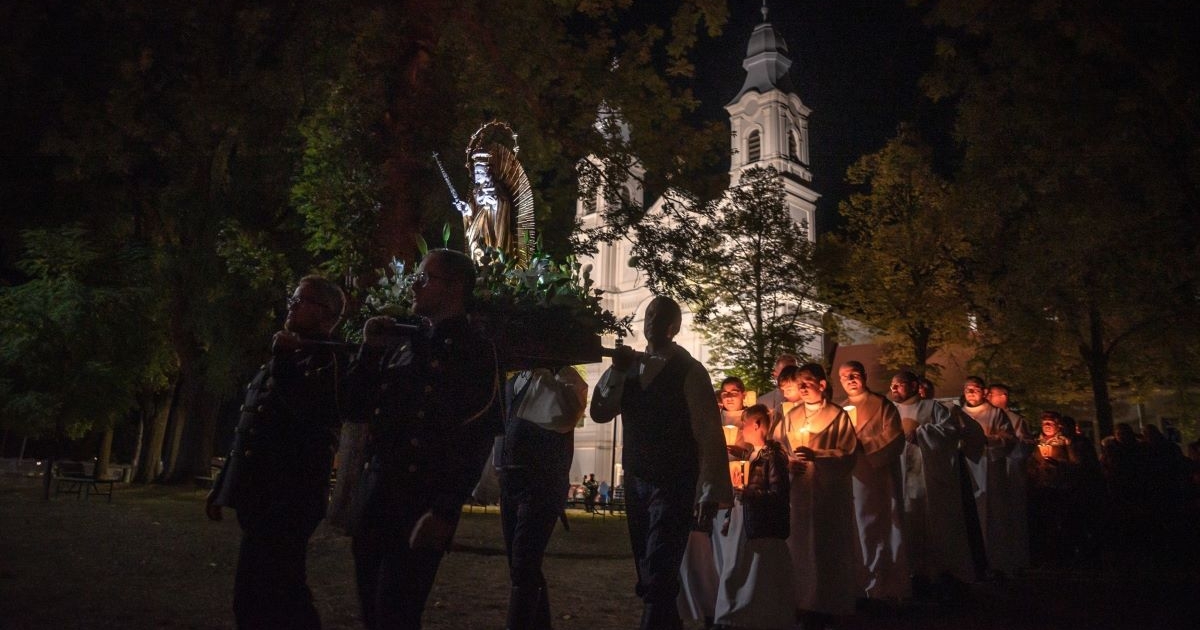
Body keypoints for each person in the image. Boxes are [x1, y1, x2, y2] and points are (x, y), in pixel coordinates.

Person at [343, 248, 502, 629]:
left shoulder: (474, 351)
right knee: (371, 610)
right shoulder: (401, 341)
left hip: (420, 500)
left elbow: (475, 436)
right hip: (378, 494)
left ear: (455, 287)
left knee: (396, 612)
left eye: (425, 278)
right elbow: (353, 407)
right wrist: (368, 352)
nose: (414, 285)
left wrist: (446, 510)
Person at [205, 275, 347, 629]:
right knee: (258, 593)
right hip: (260, 495)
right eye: (293, 298)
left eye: (303, 300)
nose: (292, 305)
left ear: (327, 314)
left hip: (288, 499)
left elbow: (309, 411)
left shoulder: (327, 361)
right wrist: (225, 482)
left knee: (279, 592)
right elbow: (252, 424)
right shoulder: (289, 352)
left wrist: (284, 360)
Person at [590, 295, 733, 630]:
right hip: (637, 477)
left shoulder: (691, 371)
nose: (651, 320)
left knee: (658, 567)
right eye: (649, 313)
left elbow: (709, 433)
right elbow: (600, 411)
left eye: (660, 316)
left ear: (674, 327)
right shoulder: (630, 368)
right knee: (648, 567)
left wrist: (710, 490)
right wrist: (615, 370)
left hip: (675, 480)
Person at [494, 366, 587, 629]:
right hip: (512, 481)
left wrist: (543, 368)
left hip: (542, 484)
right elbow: (506, 428)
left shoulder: (565, 379)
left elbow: (563, 414)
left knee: (524, 563)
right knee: (522, 564)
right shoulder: (514, 382)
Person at [773, 364, 858, 630]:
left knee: (827, 547)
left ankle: (829, 604)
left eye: (808, 382)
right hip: (799, 493)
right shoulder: (791, 416)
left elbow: (848, 454)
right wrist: (788, 463)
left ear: (822, 385)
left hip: (828, 495)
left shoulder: (838, 416)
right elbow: (776, 447)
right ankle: (802, 602)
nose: (802, 387)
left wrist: (818, 456)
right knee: (799, 547)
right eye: (800, 383)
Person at [888, 371, 974, 598]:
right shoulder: (891, 411)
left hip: (927, 478)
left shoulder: (932, 408)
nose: (894, 389)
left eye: (899, 385)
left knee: (931, 523)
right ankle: (911, 573)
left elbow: (950, 432)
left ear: (914, 385)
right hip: (901, 476)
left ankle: (938, 574)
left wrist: (922, 433)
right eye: (892, 386)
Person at [712, 404, 794, 629]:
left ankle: (750, 617)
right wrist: (731, 515)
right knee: (735, 567)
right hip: (743, 519)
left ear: (757, 424)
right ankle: (730, 616)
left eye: (744, 424)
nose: (741, 430)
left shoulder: (773, 457)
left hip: (760, 524)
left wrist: (749, 493)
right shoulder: (751, 455)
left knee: (756, 572)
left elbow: (778, 493)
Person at [837, 361, 908, 604]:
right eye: (845, 376)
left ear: (864, 375)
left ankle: (881, 588)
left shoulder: (882, 405)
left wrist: (864, 446)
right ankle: (858, 585)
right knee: (853, 531)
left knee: (876, 529)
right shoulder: (840, 409)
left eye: (854, 374)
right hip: (849, 478)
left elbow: (894, 437)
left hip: (876, 478)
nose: (850, 379)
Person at [680, 376, 749, 625]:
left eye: (734, 391)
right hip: (717, 484)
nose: (729, 396)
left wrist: (743, 452)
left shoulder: (750, 419)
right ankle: (711, 598)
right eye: (725, 392)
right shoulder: (714, 418)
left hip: (741, 484)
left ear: (743, 394)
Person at [957, 376, 1017, 578]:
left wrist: (985, 441)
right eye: (967, 389)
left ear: (983, 391)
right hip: (966, 469)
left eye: (975, 389)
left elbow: (1008, 439)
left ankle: (997, 563)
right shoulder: (958, 414)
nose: (971, 393)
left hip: (990, 471)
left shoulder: (996, 413)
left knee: (993, 517)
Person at [985, 383, 1031, 572]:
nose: (987, 397)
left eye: (991, 394)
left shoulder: (1015, 419)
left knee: (1012, 516)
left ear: (1003, 396)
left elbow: (1024, 444)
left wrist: (1005, 446)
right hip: (991, 470)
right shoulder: (988, 415)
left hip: (1010, 472)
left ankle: (1016, 558)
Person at [755, 354, 798, 429]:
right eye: (784, 373)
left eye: (792, 372)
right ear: (775, 374)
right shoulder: (763, 402)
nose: (788, 376)